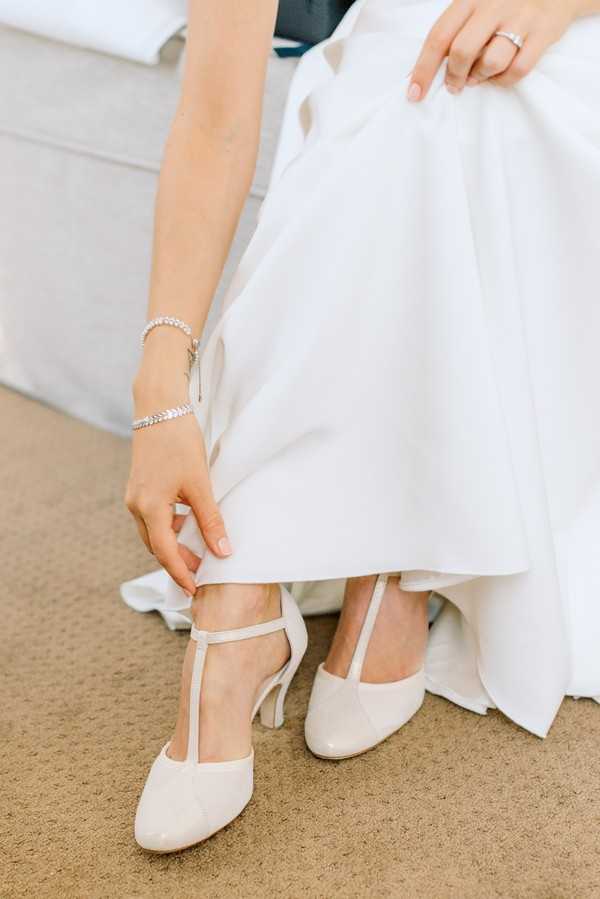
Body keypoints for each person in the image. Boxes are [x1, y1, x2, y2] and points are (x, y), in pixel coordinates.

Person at [125, 0, 600, 853]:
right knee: (407, 91)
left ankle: (253, 613)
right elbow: (214, 119)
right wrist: (161, 391)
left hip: (566, 50)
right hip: (393, 67)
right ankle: (349, 572)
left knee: (456, 97)